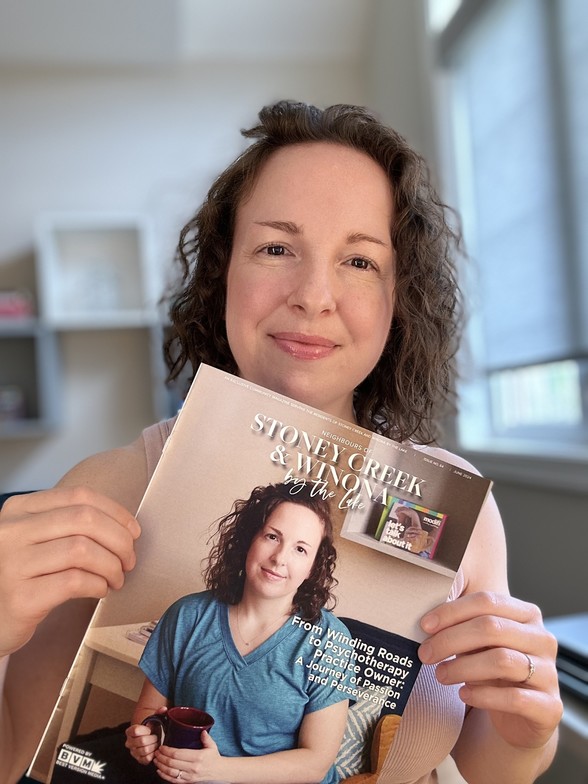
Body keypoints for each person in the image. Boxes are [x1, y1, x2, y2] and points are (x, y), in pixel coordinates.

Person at [0, 100, 562, 784]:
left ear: (398, 300)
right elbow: (19, 757)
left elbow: (480, 768)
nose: (314, 294)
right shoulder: (108, 489)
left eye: (359, 260)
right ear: (222, 271)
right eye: (275, 248)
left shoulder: (455, 514)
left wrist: (527, 733)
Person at [125, 482, 350, 784]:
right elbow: (149, 712)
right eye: (272, 537)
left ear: (312, 566)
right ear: (248, 540)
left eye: (300, 549)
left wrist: (218, 771)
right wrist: (145, 738)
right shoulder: (187, 615)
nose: (280, 558)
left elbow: (315, 765)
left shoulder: (328, 639)